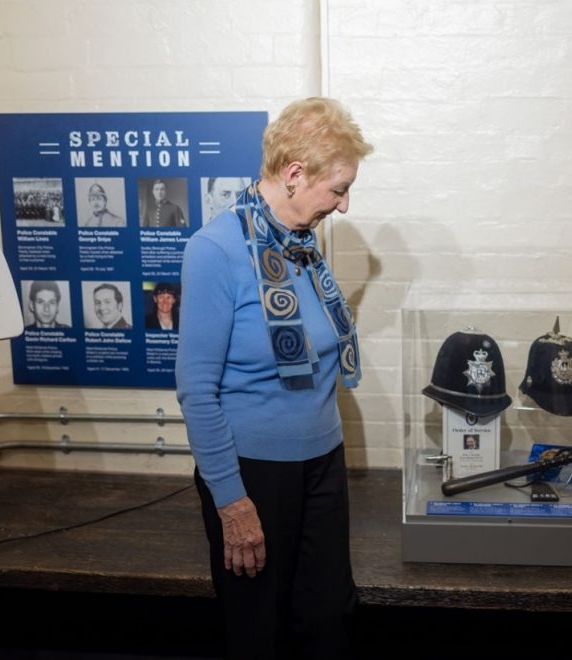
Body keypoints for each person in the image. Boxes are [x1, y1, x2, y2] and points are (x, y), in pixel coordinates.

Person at [176, 97, 373, 659]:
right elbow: (197, 391)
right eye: (337, 188)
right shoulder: (215, 250)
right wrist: (232, 504)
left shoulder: (301, 245)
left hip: (322, 463)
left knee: (329, 616)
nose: (343, 204)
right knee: (259, 629)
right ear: (293, 175)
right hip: (254, 476)